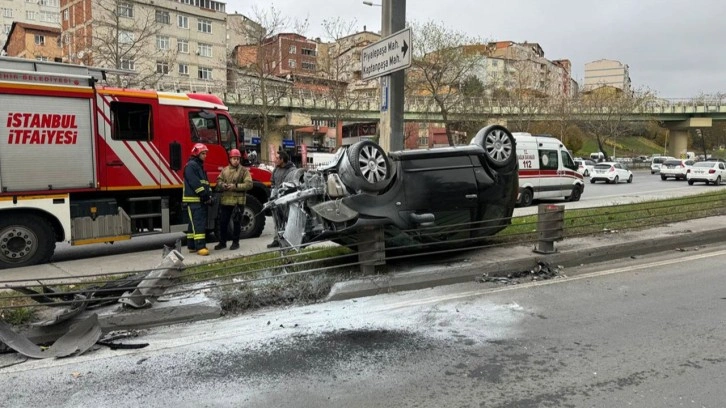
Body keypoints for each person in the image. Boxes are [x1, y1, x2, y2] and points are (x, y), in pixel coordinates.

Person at [214, 149, 253, 251]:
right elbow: (218, 181)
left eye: (238, 159)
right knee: (223, 223)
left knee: (236, 223)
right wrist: (223, 185)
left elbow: (249, 184)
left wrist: (235, 186)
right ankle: (222, 243)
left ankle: (235, 243)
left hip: (238, 202)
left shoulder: (244, 171)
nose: (236, 161)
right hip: (226, 201)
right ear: (230, 159)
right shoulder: (224, 170)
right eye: (234, 158)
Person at [183, 143, 213, 256]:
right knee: (199, 223)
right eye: (203, 153)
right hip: (195, 200)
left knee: (193, 224)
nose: (205, 156)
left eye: (205, 153)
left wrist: (209, 194)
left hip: (198, 199)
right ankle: (201, 247)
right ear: (196, 153)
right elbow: (195, 183)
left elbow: (205, 183)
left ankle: (191, 245)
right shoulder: (191, 166)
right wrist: (205, 196)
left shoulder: (198, 166)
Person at [267, 150, 296, 248]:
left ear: (282, 159)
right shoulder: (276, 169)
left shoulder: (291, 170)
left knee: (287, 219)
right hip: (276, 197)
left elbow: (292, 185)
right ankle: (277, 239)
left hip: (286, 198)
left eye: (277, 158)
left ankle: (288, 240)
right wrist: (273, 192)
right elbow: (272, 182)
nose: (275, 160)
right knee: (277, 220)